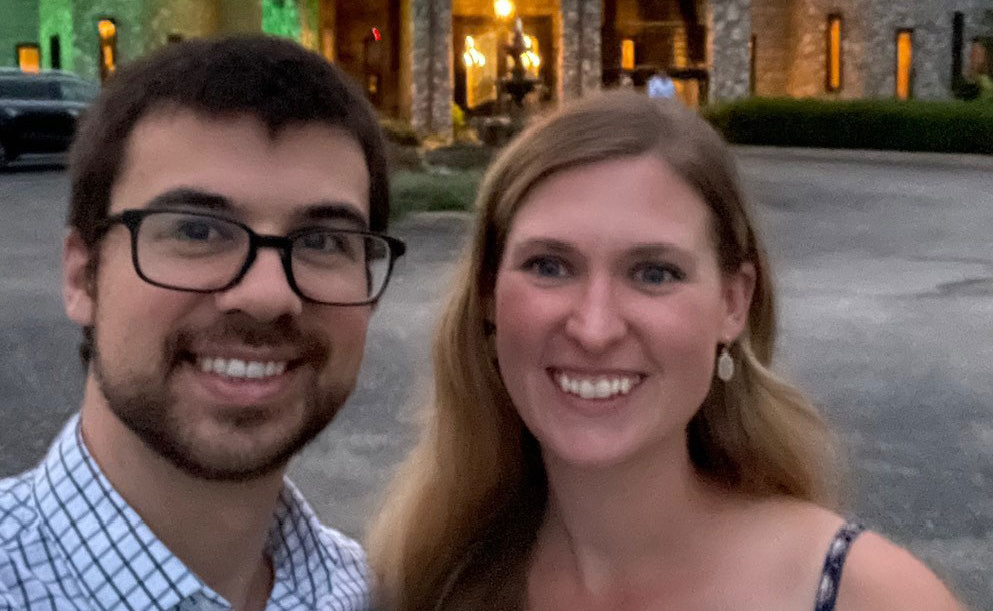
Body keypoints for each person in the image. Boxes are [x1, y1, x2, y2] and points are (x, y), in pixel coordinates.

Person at [366, 91, 962, 611]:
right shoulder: (427, 579)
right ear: (489, 295)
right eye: (549, 266)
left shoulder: (862, 596)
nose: (594, 329)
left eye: (654, 273)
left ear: (734, 303)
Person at [0, 35, 405, 610]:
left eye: (321, 241)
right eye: (197, 230)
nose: (267, 295)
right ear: (81, 276)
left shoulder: (367, 593)